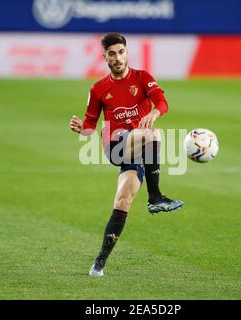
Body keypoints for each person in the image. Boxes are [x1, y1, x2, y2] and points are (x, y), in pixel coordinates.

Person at [69, 32, 184, 277]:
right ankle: (156, 197)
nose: (118, 58)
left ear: (127, 53)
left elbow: (162, 102)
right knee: (153, 135)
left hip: (136, 154)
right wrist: (83, 128)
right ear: (104, 57)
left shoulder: (142, 78)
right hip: (114, 145)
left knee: (123, 200)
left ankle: (98, 264)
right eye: (112, 54)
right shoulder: (99, 89)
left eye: (121, 52)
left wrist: (154, 113)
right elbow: (91, 123)